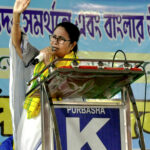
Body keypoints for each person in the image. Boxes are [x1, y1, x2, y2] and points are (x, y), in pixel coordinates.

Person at [9, 0, 80, 149]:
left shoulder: (75, 67)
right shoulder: (40, 58)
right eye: (53, 37)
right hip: (31, 121)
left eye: (61, 39)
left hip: (57, 125)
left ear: (72, 45)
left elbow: (62, 90)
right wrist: (16, 16)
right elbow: (18, 44)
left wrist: (49, 65)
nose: (55, 41)